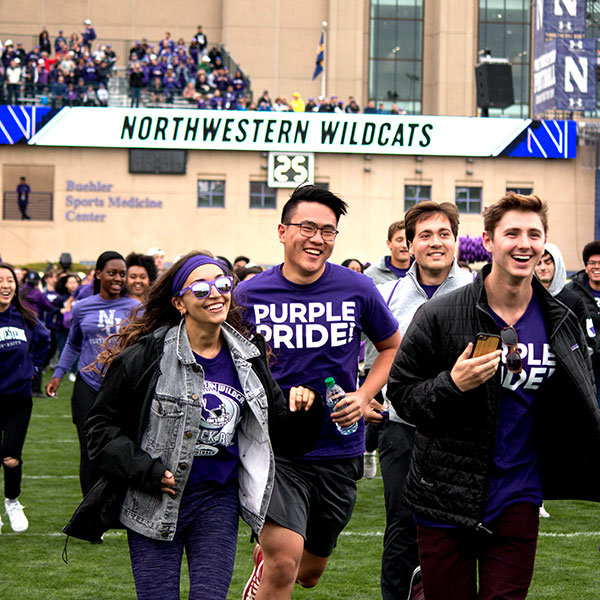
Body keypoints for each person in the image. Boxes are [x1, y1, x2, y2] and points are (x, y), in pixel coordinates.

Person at [387, 192, 600, 599]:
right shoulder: (440, 314)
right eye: (512, 233)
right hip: (446, 491)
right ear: (488, 241)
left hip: (519, 494)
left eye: (534, 234)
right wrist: (453, 383)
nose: (524, 243)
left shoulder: (561, 320)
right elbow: (401, 394)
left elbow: (579, 399)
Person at [65, 251, 313, 599]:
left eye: (222, 284)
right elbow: (101, 428)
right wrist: (145, 471)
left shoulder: (248, 355)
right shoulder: (146, 356)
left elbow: (279, 432)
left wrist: (303, 410)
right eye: (200, 288)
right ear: (179, 303)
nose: (214, 293)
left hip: (218, 499)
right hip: (155, 500)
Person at [235, 184, 401, 600]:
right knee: (285, 561)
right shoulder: (249, 294)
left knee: (308, 572)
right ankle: (271, 564)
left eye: (328, 231)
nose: (317, 239)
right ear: (282, 230)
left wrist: (363, 396)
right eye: (307, 227)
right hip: (276, 448)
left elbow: (392, 346)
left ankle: (269, 560)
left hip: (339, 447)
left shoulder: (357, 288)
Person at [368, 202, 473, 600]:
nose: (435, 243)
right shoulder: (386, 294)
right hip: (401, 429)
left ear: (456, 241)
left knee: (458, 527)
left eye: (444, 234)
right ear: (409, 244)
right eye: (425, 235)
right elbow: (361, 352)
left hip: (462, 432)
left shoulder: (477, 292)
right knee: (402, 525)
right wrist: (365, 397)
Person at [46, 251, 139, 498]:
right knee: (89, 449)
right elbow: (74, 344)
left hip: (122, 387)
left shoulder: (135, 308)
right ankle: (90, 510)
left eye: (122, 274)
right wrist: (58, 373)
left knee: (119, 447)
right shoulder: (81, 307)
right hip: (88, 385)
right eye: (112, 273)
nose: (118, 278)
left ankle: (115, 505)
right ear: (98, 274)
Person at [0, 263, 50, 533]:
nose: (6, 285)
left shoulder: (26, 317)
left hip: (18, 398)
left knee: (11, 456)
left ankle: (12, 501)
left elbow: (45, 341)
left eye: (10, 280)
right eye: (0, 280)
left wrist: (34, 367)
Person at [362, 220, 412, 479]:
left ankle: (375, 446)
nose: (404, 245)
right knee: (379, 413)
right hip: (379, 357)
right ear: (389, 243)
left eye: (408, 240)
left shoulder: (420, 273)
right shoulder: (372, 278)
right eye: (399, 239)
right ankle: (369, 447)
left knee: (395, 416)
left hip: (410, 360)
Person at [565, 240, 600, 405]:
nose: (596, 267)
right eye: (592, 263)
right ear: (586, 266)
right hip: (585, 367)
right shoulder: (573, 292)